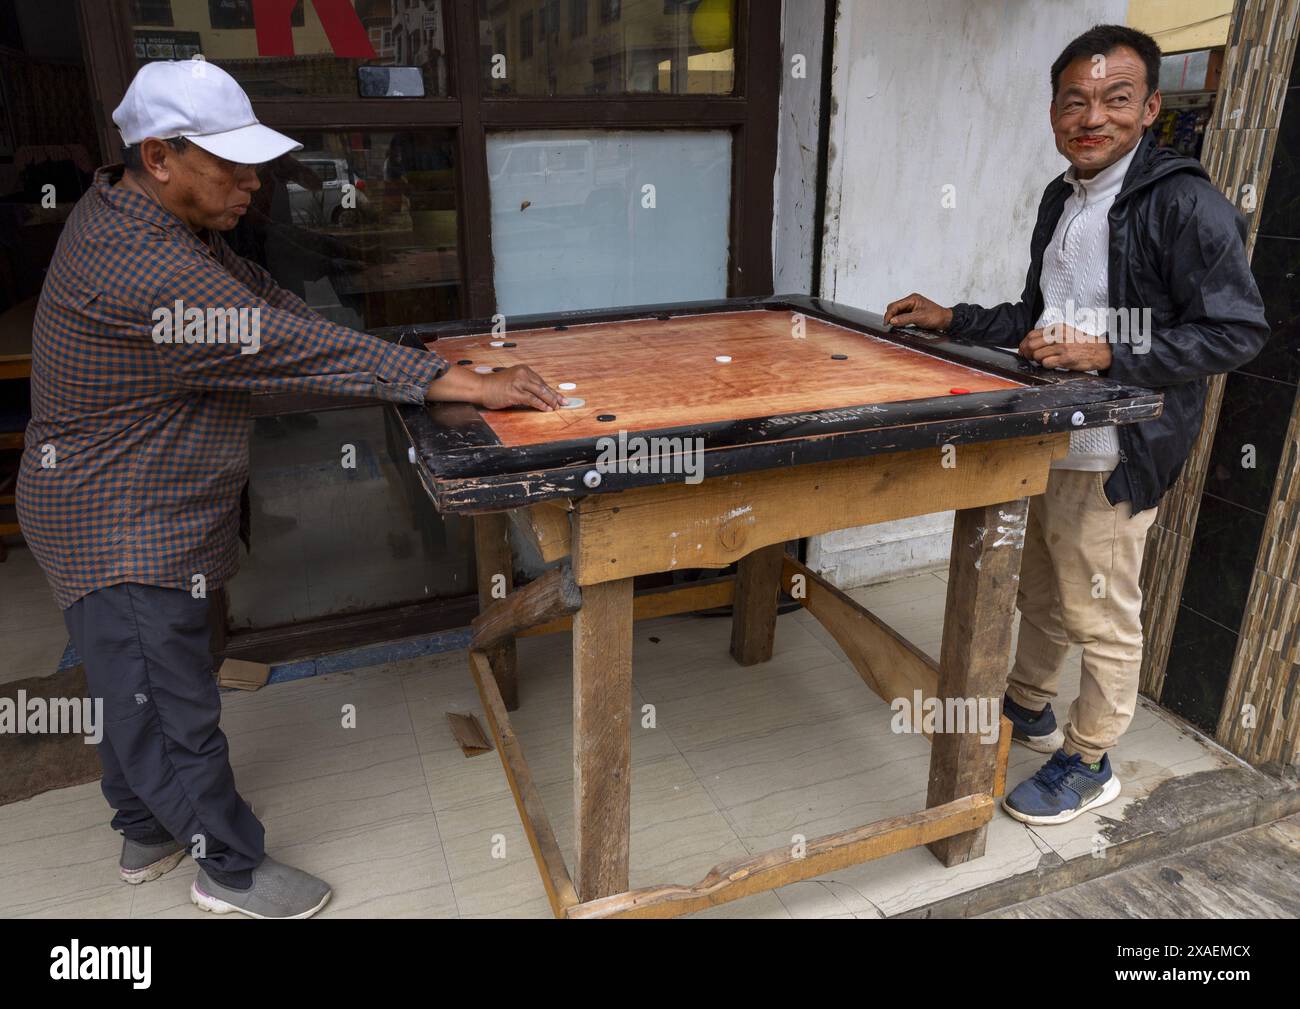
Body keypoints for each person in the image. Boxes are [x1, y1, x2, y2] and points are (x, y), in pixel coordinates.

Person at [15, 59, 563, 918]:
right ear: (159, 156)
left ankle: (144, 828)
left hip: (146, 504)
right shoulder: (139, 264)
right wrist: (443, 382)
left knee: (139, 682)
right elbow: (279, 345)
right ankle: (227, 867)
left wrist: (425, 366)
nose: (250, 183)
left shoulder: (159, 220)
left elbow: (272, 304)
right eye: (228, 165)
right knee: (167, 705)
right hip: (116, 521)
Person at [884, 24, 1267, 825]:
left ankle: (1090, 758)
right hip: (1050, 437)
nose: (1093, 116)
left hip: (1122, 445)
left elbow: (1236, 331)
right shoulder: (1065, 197)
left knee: (1101, 608)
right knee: (1042, 589)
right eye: (1075, 101)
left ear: (1151, 108)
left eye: (1116, 99)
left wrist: (1107, 348)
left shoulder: (1184, 201)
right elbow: (1038, 315)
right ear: (1055, 112)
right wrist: (952, 316)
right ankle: (1028, 704)